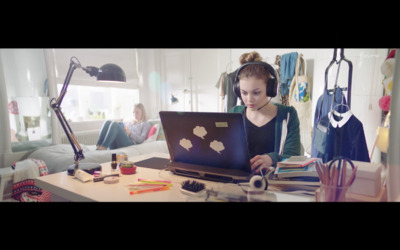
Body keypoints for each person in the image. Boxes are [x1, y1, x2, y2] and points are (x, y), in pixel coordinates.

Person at [229, 51, 301, 173]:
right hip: (238, 182)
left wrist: (272, 158)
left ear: (270, 89)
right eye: (244, 93)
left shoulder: (288, 115)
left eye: (256, 93)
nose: (249, 99)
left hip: (273, 185)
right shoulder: (235, 113)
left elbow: (294, 157)